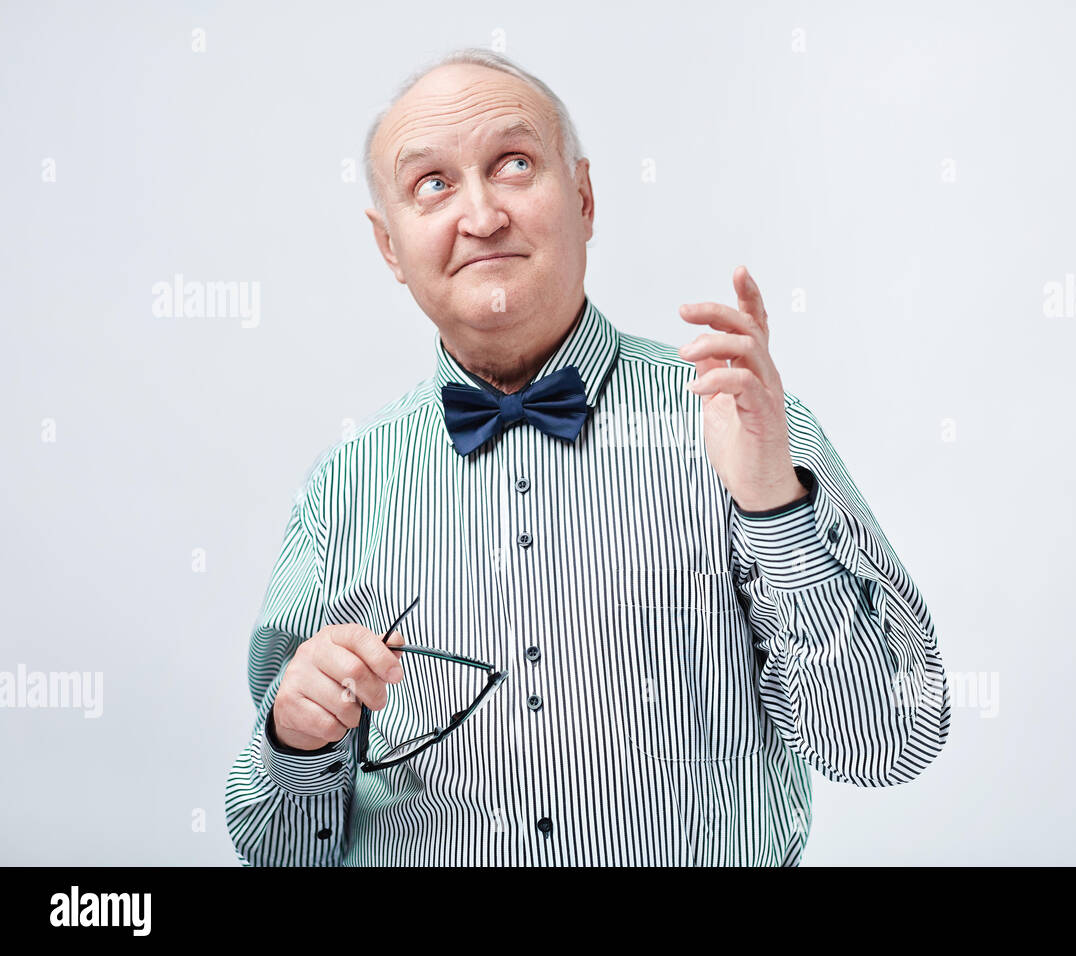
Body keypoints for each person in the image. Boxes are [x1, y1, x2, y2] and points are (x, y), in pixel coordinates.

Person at [224, 47, 950, 866]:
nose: (482, 215)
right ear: (389, 247)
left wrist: (772, 508)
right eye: (432, 183)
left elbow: (891, 744)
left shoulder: (742, 425)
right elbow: (276, 849)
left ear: (584, 196)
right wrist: (293, 736)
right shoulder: (342, 488)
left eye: (514, 164)